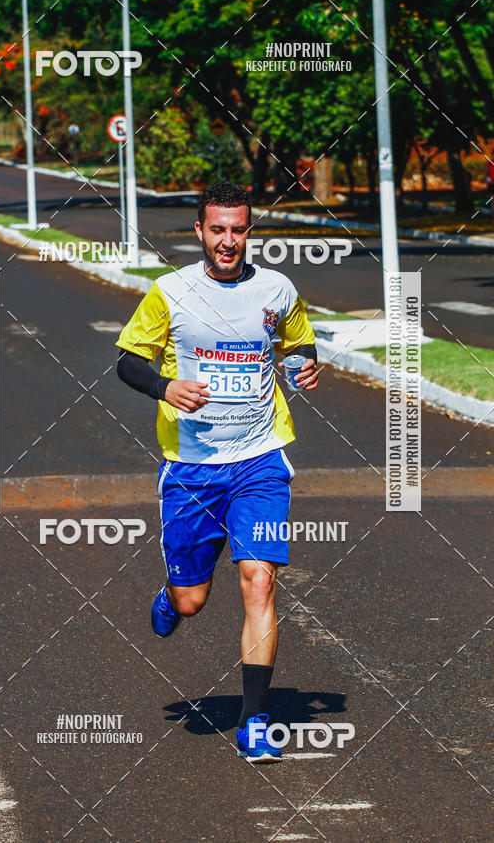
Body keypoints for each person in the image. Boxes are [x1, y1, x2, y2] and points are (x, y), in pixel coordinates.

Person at [115, 182, 318, 761]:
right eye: (218, 229)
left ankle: (255, 720)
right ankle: (172, 596)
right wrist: (165, 386)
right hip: (192, 468)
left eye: (239, 229)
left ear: (249, 231)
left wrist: (305, 369)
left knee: (260, 579)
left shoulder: (278, 288)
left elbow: (297, 345)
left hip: (259, 458)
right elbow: (127, 361)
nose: (229, 240)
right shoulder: (170, 292)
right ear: (200, 232)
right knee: (192, 602)